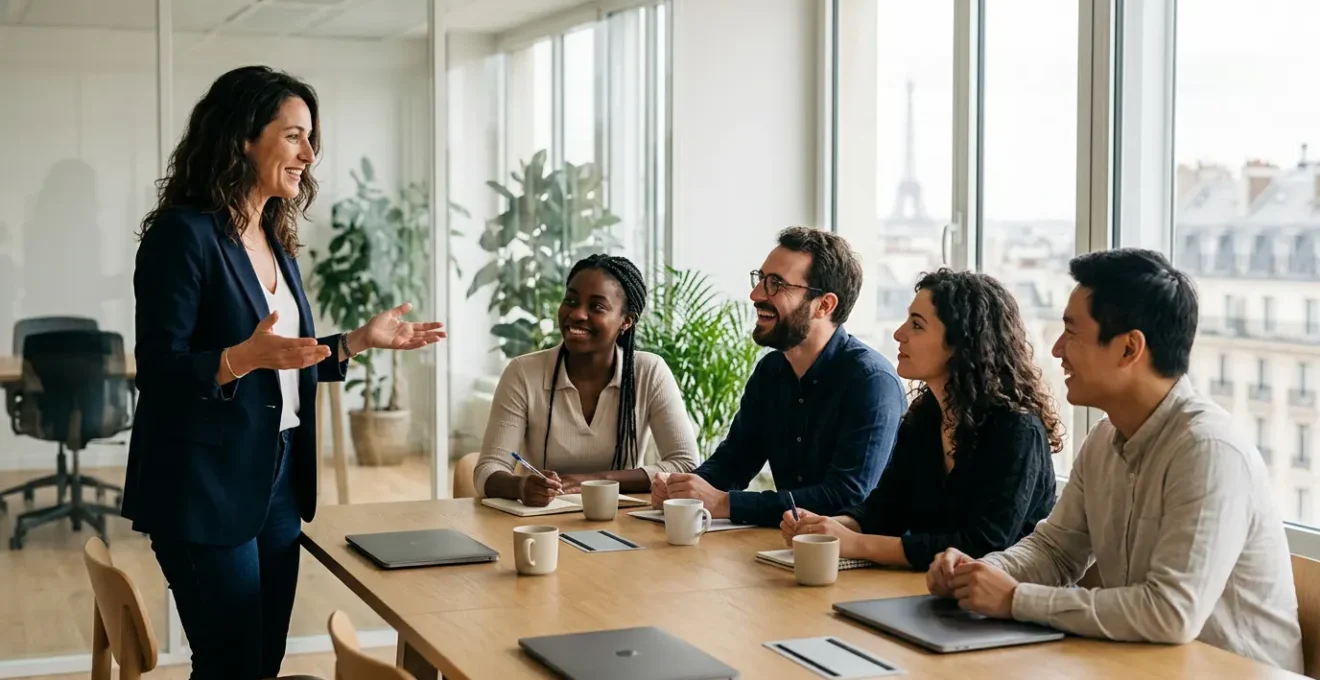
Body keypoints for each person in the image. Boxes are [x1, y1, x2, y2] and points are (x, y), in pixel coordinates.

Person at [122, 66, 445, 680]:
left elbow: (280, 357)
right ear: (243, 137)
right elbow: (159, 371)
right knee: (231, 664)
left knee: (264, 659)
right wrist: (240, 358)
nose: (309, 154)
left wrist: (355, 342)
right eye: (294, 136)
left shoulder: (272, 234)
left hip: (278, 476)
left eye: (311, 138)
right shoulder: (183, 235)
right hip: (204, 483)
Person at [928, 249, 1303, 671]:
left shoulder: (1209, 448)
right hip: (1144, 662)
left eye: (1072, 332)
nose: (1057, 349)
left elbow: (1171, 612)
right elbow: (1056, 551)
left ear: (1128, 348)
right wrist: (977, 573)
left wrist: (1015, 599)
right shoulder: (1104, 439)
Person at [780, 269, 1060, 569]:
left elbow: (982, 546)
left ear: (961, 343)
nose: (899, 334)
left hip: (1006, 594)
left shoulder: (1017, 429)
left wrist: (856, 543)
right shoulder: (924, 417)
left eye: (917, 325)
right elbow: (885, 511)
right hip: (933, 587)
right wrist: (826, 528)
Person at [652, 227, 905, 527]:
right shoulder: (771, 371)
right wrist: (682, 489)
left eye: (776, 284)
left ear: (824, 305)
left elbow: (845, 497)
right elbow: (734, 462)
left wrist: (725, 503)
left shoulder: (871, 381)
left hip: (856, 552)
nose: (756, 294)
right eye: (760, 279)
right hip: (786, 543)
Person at [475, 254, 698, 505]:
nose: (577, 314)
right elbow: (487, 470)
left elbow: (686, 464)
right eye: (570, 300)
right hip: (542, 519)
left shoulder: (649, 372)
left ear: (626, 321)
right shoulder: (523, 373)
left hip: (623, 518)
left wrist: (593, 481)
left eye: (596, 307)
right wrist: (521, 486)